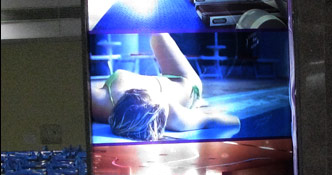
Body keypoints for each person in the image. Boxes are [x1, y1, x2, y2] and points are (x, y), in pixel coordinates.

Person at [90, 34, 240, 141]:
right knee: (158, 35)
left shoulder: (99, 103)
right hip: (184, 83)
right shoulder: (174, 116)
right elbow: (223, 121)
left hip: (162, 87)